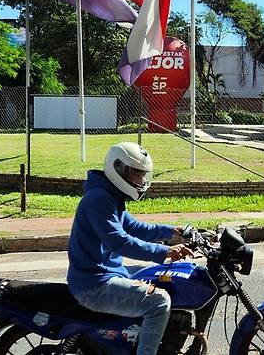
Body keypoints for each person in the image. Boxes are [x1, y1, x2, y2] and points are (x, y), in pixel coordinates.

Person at [67, 142, 194, 355]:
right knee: (159, 302)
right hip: (94, 285)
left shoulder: (109, 195)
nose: (142, 181)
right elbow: (119, 242)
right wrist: (163, 252)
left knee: (164, 276)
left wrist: (171, 231)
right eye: (138, 174)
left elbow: (134, 227)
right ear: (120, 169)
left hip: (106, 273)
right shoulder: (99, 199)